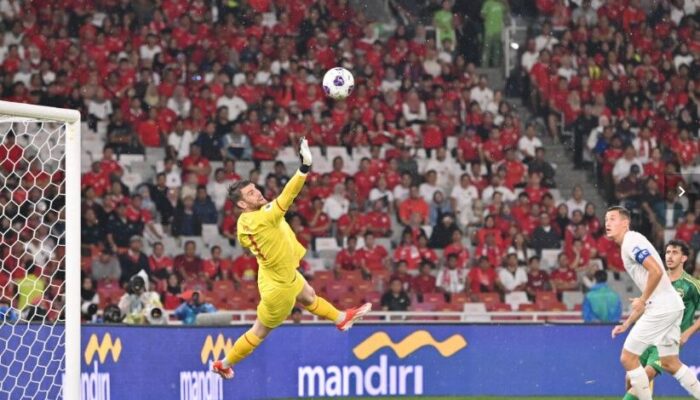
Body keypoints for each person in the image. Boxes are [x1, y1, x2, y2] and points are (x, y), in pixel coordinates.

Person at [212, 138, 371, 380]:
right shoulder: (263, 217)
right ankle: (223, 364)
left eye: (256, 188)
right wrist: (304, 167)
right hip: (279, 287)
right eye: (251, 193)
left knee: (308, 295)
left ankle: (341, 318)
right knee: (259, 331)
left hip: (271, 273)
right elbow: (288, 196)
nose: (258, 192)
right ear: (242, 203)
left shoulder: (245, 220)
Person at [606, 206, 700, 400]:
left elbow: (656, 271)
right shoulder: (631, 242)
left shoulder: (630, 242)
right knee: (670, 363)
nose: (607, 223)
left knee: (628, 358)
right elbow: (654, 281)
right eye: (606, 219)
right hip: (672, 306)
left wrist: (642, 300)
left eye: (613, 219)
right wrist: (627, 323)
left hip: (662, 308)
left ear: (625, 223)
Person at [622, 240, 700, 400]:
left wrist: (687, 333)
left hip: (667, 340)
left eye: (675, 252)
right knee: (630, 379)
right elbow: (645, 305)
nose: (669, 256)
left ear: (684, 258)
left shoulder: (692, 285)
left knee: (645, 376)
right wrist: (627, 323)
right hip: (648, 336)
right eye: (668, 252)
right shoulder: (657, 280)